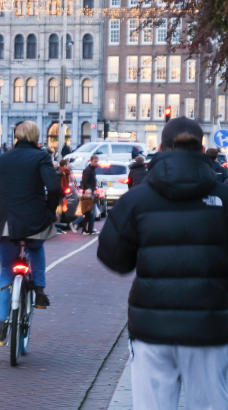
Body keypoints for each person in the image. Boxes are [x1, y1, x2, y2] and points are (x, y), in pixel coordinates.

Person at [98, 117, 228, 410]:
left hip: (152, 326)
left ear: (160, 148)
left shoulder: (137, 200)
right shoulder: (223, 198)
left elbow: (114, 258)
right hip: (210, 323)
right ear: (202, 148)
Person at [0, 121, 60, 342]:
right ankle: (39, 291)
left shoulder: (1, 160)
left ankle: (1, 323)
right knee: (36, 248)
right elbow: (54, 187)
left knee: (6, 272)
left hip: (5, 221)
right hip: (34, 219)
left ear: (16, 136)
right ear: (37, 137)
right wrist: (49, 211)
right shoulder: (41, 157)